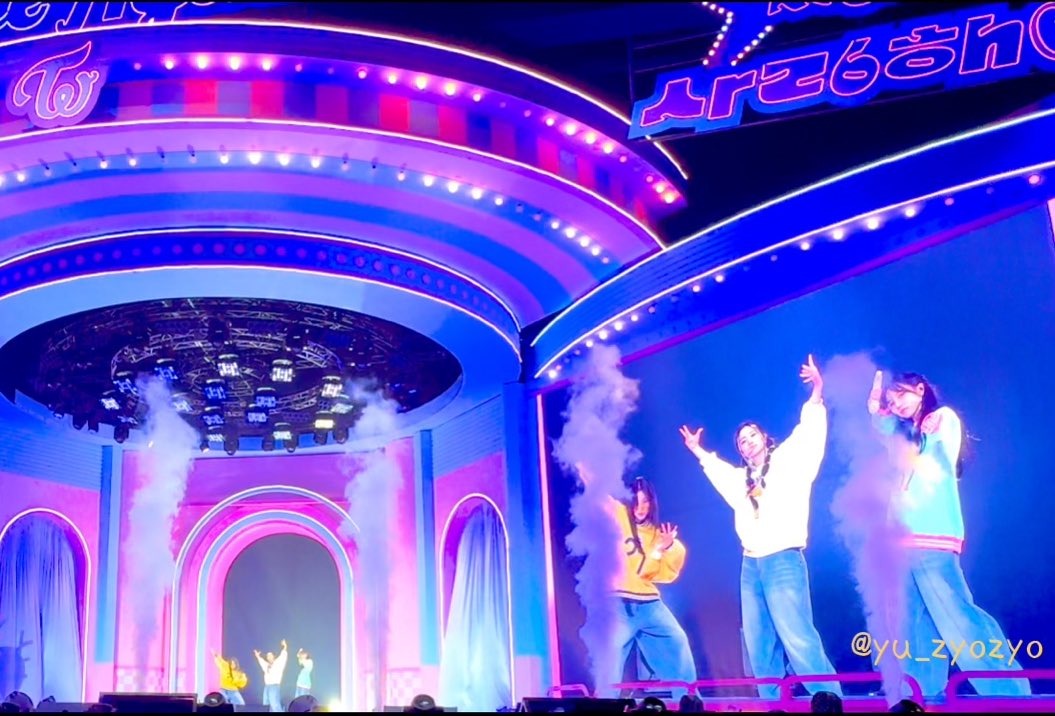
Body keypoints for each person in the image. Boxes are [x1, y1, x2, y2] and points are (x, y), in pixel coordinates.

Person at [679, 355, 839, 699]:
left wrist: (816, 392)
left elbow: (809, 434)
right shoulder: (742, 479)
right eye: (741, 440)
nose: (747, 441)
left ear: (765, 438)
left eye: (752, 435)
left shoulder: (788, 461)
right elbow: (720, 472)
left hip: (783, 558)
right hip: (750, 564)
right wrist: (698, 451)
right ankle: (774, 703)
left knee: (797, 635)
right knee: (759, 642)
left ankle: (829, 701)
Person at [869, 371, 1030, 698]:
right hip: (901, 540)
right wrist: (876, 411)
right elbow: (889, 432)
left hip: (931, 536)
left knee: (958, 618)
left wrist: (893, 420)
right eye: (891, 401)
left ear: (920, 389)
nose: (896, 404)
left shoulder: (941, 419)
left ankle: (1011, 694)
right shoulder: (906, 433)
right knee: (913, 627)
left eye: (900, 395)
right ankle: (922, 696)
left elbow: (924, 443)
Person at [576, 465, 696, 698]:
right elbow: (598, 492)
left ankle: (689, 702)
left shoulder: (657, 534)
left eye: (645, 502)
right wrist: (582, 464)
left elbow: (663, 573)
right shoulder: (618, 515)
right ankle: (605, 705)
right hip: (617, 604)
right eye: (636, 501)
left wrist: (665, 547)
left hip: (650, 605)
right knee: (609, 661)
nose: (640, 508)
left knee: (677, 641)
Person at [255, 639, 289, 712]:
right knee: (266, 705)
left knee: (274, 704)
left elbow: (283, 656)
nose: (269, 657)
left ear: (274, 656)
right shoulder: (266, 665)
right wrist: (257, 656)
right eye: (268, 656)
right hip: (267, 687)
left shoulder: (278, 663)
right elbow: (261, 662)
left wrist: (285, 646)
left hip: (274, 686)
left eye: (270, 655)